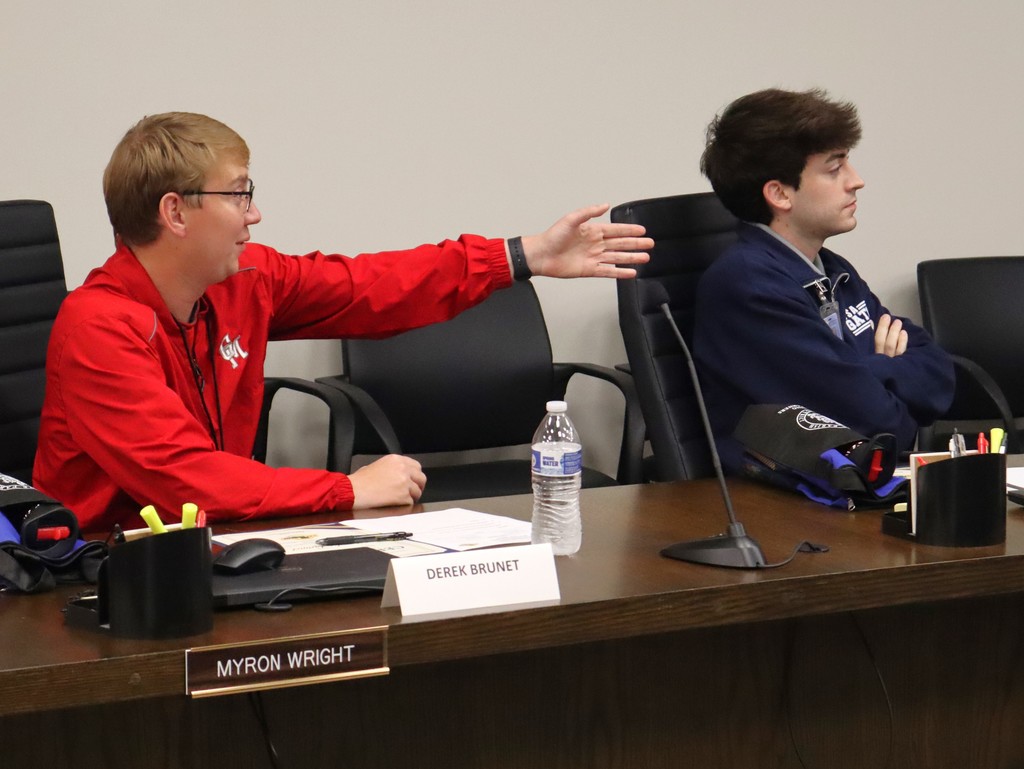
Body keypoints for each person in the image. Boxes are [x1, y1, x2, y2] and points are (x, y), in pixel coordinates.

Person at [33, 112, 652, 533]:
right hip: (99, 577)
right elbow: (187, 482)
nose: (255, 215)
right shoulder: (99, 327)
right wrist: (346, 489)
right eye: (239, 194)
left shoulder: (245, 282)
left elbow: (370, 287)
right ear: (175, 212)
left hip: (211, 549)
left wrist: (524, 257)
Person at [693, 88, 954, 473]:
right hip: (783, 504)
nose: (857, 181)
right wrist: (880, 366)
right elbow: (877, 423)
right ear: (780, 194)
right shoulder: (748, 286)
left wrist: (867, 368)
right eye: (834, 169)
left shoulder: (831, 268)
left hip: (853, 485)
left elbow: (940, 373)